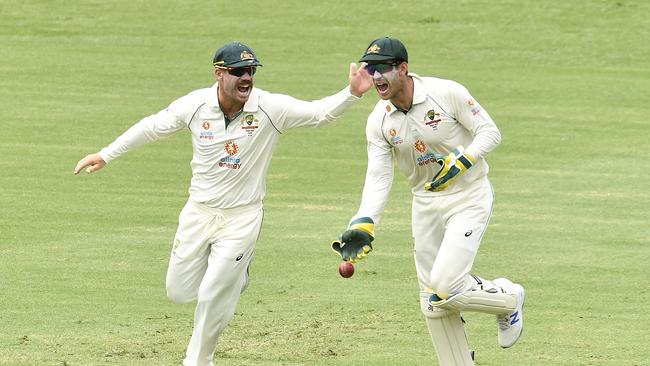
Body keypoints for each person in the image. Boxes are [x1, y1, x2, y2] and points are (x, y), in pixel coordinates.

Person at [74, 41, 372, 366]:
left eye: (251, 71)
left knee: (213, 292)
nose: (247, 78)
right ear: (219, 73)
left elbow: (319, 114)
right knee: (179, 291)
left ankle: (198, 359)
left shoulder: (268, 108)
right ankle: (238, 276)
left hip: (242, 218)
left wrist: (352, 93)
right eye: (238, 72)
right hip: (198, 212)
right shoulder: (195, 105)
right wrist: (106, 154)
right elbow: (151, 127)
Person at [331, 37, 525, 366]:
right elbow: (379, 177)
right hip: (424, 202)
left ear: (403, 68)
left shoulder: (445, 92)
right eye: (369, 69)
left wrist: (465, 158)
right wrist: (364, 222)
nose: (375, 77)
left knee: (446, 284)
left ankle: (509, 297)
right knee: (432, 300)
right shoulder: (379, 120)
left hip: (468, 195)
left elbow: (490, 132)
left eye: (382, 69)